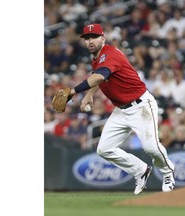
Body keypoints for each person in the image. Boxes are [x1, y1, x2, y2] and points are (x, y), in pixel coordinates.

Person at [68, 23, 175, 195]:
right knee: (104, 149)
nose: (90, 41)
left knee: (151, 148)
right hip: (121, 110)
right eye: (87, 38)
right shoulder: (97, 57)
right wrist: (89, 94)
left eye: (94, 37)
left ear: (103, 38)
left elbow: (101, 75)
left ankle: (168, 172)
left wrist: (73, 91)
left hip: (140, 106)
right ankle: (140, 170)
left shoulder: (109, 54)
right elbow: (100, 78)